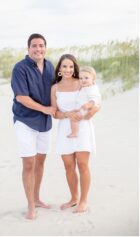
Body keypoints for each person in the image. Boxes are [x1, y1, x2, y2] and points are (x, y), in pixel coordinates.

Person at [11, 33, 56, 220]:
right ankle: (30, 205)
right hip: (25, 120)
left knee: (40, 163)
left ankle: (37, 198)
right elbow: (21, 97)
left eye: (41, 45)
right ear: (28, 48)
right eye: (34, 46)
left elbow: (58, 88)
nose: (38, 49)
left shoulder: (50, 66)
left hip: (45, 123)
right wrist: (45, 109)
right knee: (29, 164)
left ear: (45, 47)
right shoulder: (20, 68)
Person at [50, 54, 100, 213]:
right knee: (68, 166)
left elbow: (96, 101)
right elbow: (54, 113)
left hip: (83, 126)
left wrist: (88, 114)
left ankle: (83, 201)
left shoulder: (82, 82)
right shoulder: (55, 88)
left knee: (82, 164)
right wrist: (67, 115)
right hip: (65, 128)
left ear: (75, 67)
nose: (68, 70)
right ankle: (74, 198)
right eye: (64, 66)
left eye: (71, 66)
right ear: (59, 68)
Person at [67, 66, 101, 138]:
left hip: (85, 109)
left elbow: (94, 99)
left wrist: (88, 105)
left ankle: (75, 132)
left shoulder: (92, 89)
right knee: (73, 118)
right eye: (81, 78)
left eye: (86, 78)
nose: (83, 80)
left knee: (74, 118)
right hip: (81, 108)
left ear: (93, 79)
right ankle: (74, 132)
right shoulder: (85, 87)